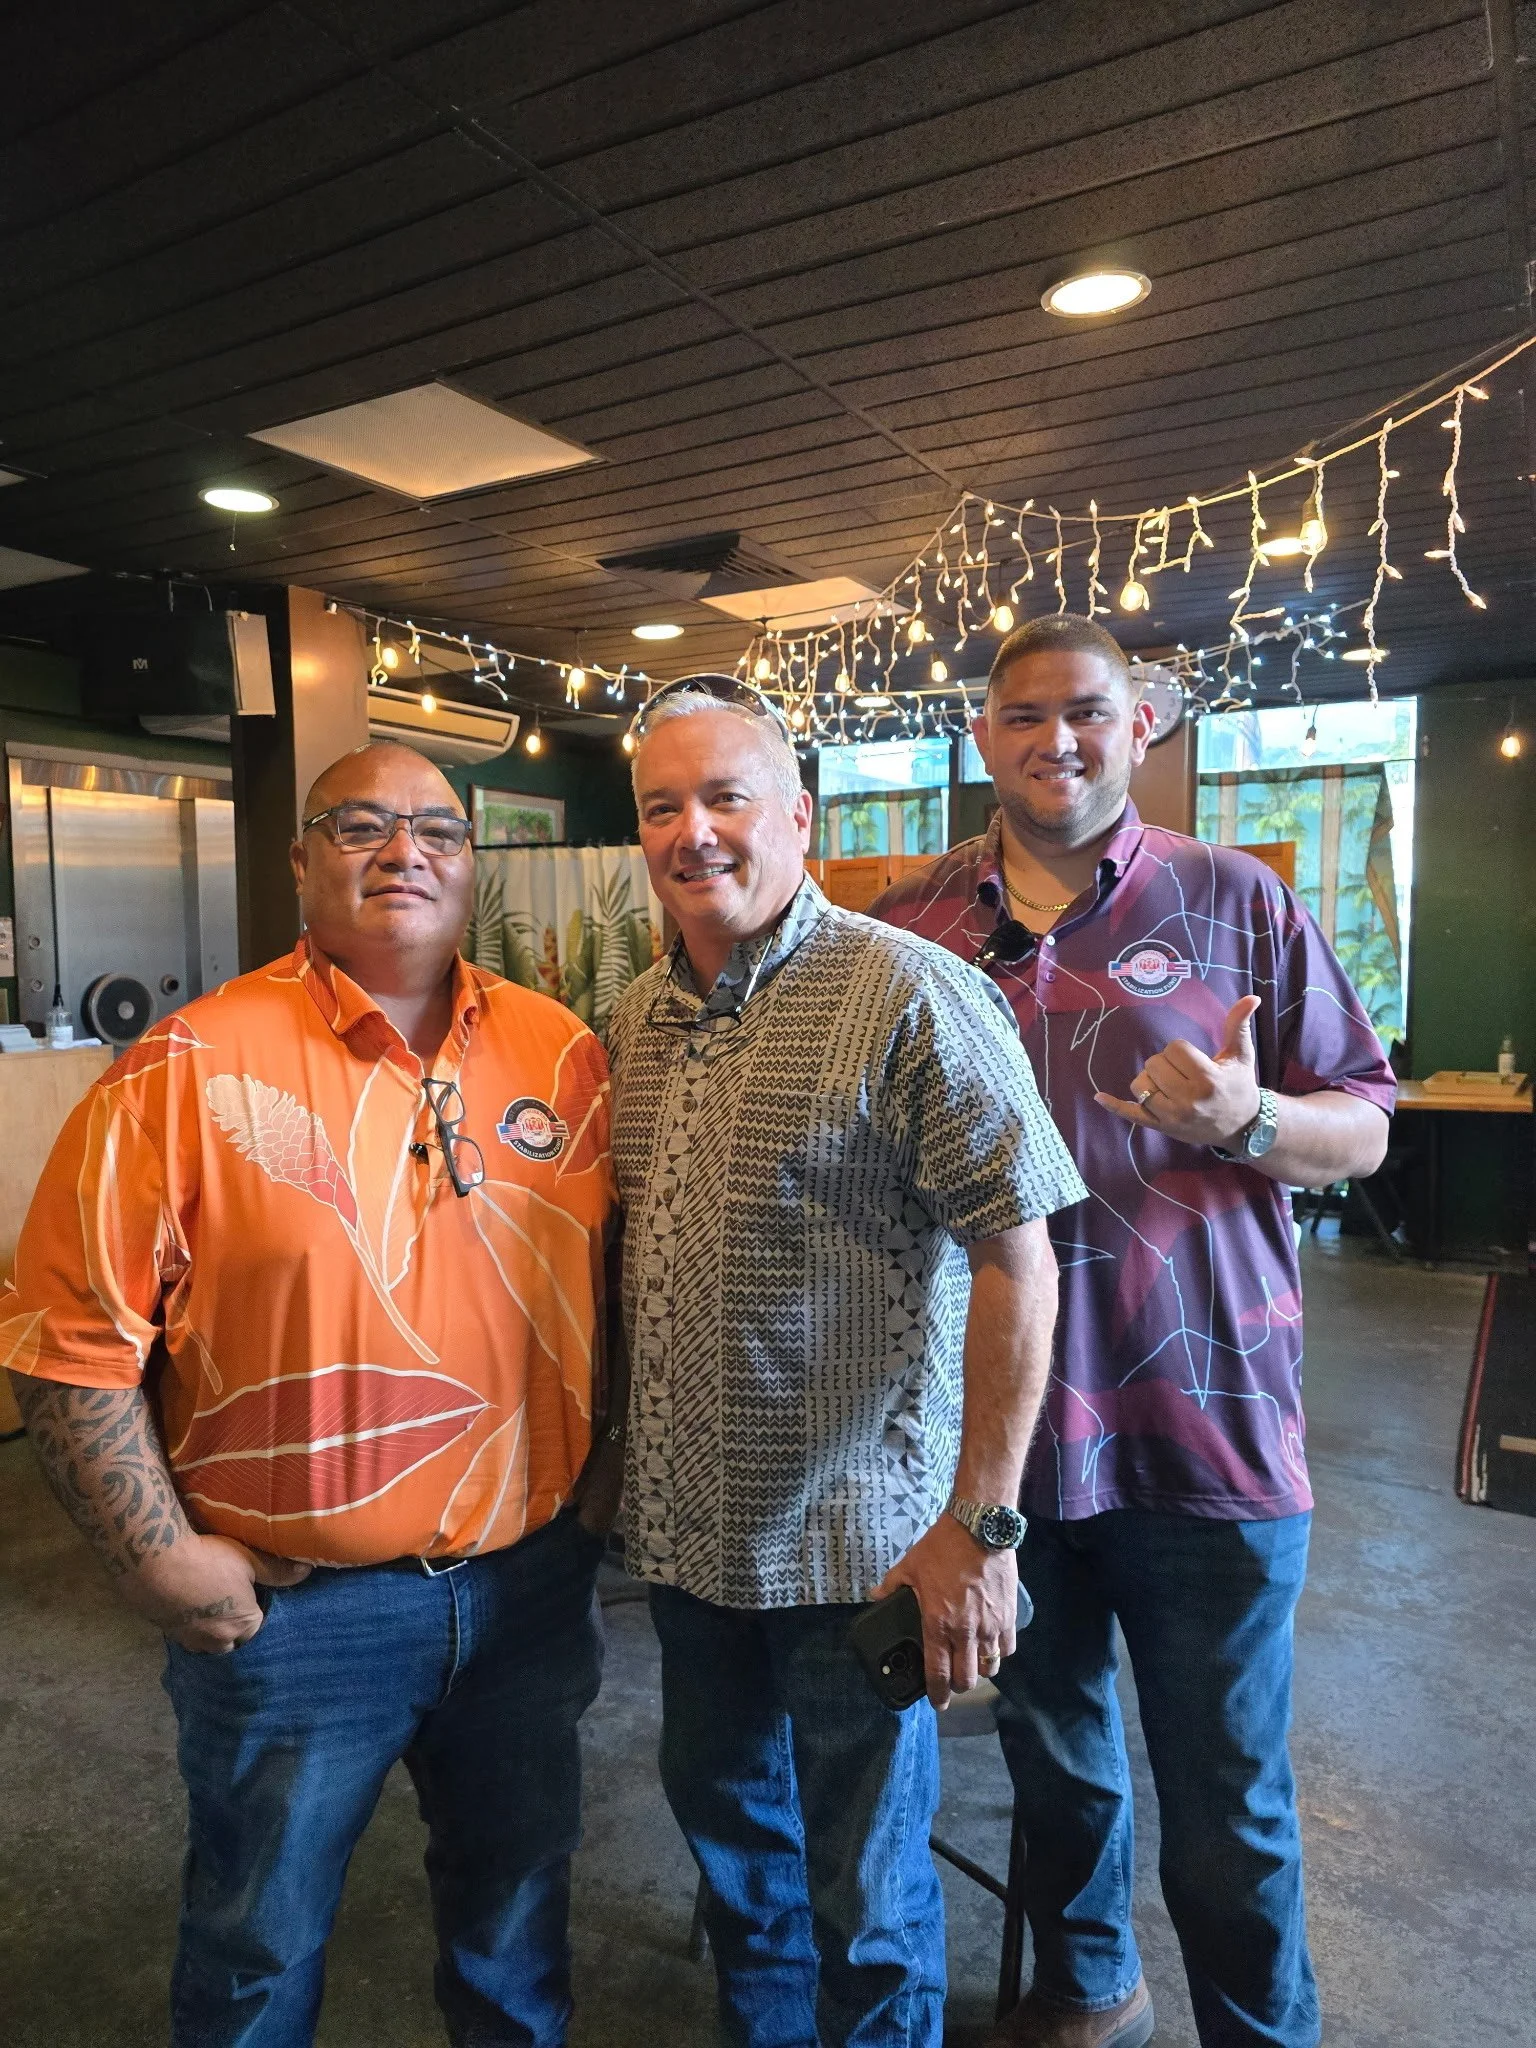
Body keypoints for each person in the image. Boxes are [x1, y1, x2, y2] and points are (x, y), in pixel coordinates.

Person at [1, 740, 623, 2048]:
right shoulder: (183, 1068)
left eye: (437, 831)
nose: (403, 851)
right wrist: (153, 1556)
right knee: (255, 1949)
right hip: (297, 1621)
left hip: (529, 1593)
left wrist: (601, 1475)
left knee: (516, 1927)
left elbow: (617, 1280)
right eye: (360, 826)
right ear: (301, 862)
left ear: (471, 862)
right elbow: (66, 1341)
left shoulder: (563, 1054)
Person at [871, 615, 1394, 2048]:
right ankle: (1089, 1989)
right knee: (1055, 1764)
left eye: (1087, 711)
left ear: (1142, 722)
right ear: (982, 735)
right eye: (1025, 715)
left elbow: (1366, 1128)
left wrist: (1256, 1121)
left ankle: (1258, 2030)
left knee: (1230, 1797)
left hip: (1209, 1432)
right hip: (1007, 1443)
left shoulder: (1235, 900)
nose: (1058, 740)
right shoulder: (910, 927)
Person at [604, 674, 1086, 2048]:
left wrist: (981, 1531)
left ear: (798, 818)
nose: (693, 831)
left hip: (857, 1556)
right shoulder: (639, 1018)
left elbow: (1020, 1262)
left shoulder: (910, 993)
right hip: (690, 1552)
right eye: (662, 807)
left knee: (866, 1911)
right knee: (737, 1872)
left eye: (724, 797)